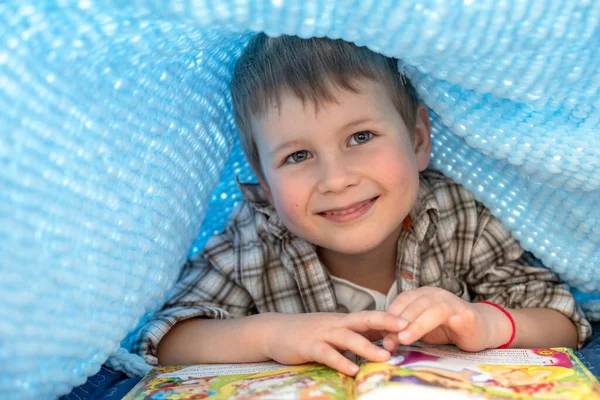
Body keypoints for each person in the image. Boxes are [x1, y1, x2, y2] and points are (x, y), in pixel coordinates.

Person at [130, 33, 591, 377]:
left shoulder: (457, 213)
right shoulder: (253, 236)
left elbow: (562, 321)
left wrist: (484, 323)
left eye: (361, 137)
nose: (336, 179)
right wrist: (274, 335)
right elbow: (170, 340)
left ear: (417, 140)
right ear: (266, 185)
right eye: (297, 156)